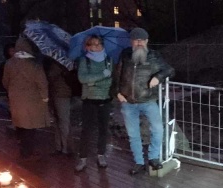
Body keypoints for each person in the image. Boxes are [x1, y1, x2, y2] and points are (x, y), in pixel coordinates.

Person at [114, 27, 175, 175]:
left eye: (142, 40)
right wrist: (116, 92)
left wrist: (157, 77)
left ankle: (153, 158)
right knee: (133, 134)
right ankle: (139, 162)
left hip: (148, 100)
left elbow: (169, 70)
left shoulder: (154, 56)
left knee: (157, 129)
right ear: (131, 41)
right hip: (128, 102)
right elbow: (117, 74)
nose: (139, 43)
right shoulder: (125, 55)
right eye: (136, 40)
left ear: (147, 41)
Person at [2, 37, 50, 161]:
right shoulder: (34, 64)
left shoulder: (10, 63)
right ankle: (28, 152)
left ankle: (23, 150)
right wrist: (45, 97)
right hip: (32, 100)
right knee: (30, 126)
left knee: (20, 125)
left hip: (15, 100)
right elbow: (42, 82)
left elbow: (5, 81)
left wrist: (12, 92)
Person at [75, 35, 114, 172]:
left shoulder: (109, 60)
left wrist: (92, 83)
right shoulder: (84, 60)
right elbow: (82, 78)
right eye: (92, 44)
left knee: (103, 129)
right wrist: (103, 75)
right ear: (87, 46)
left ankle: (101, 155)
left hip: (105, 99)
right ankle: (83, 158)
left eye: (98, 44)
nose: (95, 47)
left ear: (102, 45)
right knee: (87, 130)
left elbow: (110, 82)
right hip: (89, 100)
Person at [45, 59, 73, 156]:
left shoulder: (58, 64)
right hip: (60, 93)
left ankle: (64, 148)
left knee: (62, 121)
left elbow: (50, 76)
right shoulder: (67, 63)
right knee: (61, 121)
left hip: (60, 94)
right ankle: (62, 147)